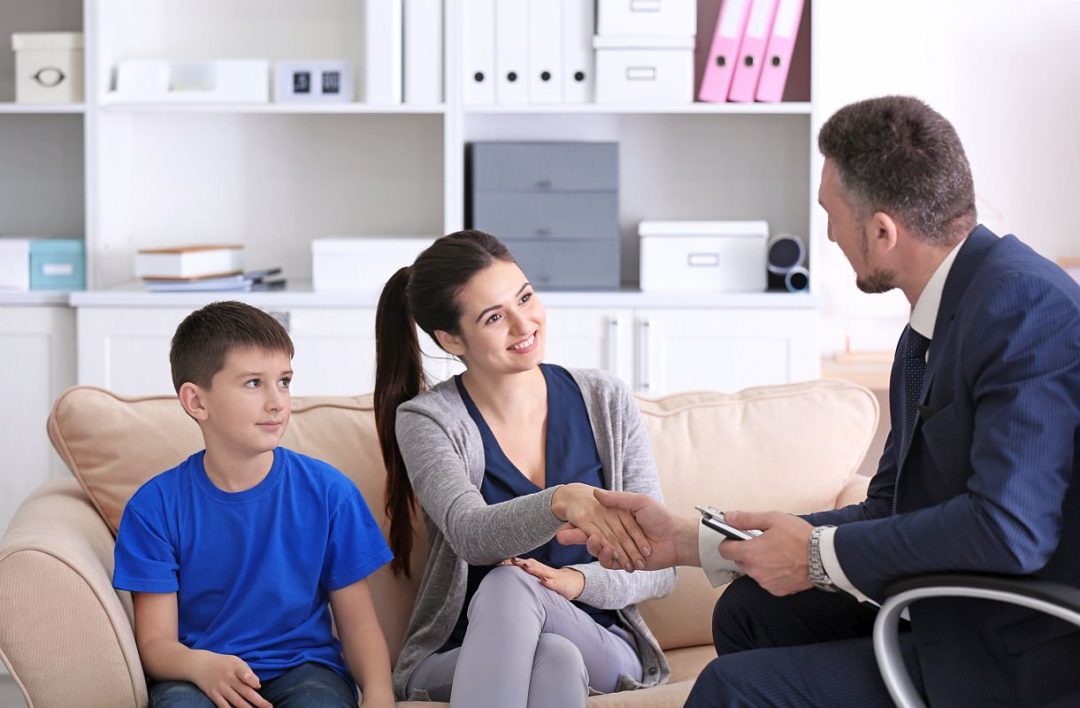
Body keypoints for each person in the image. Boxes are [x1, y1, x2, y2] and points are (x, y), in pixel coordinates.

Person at [560, 95, 1080, 706]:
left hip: (1020, 650)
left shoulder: (1023, 308)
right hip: (952, 603)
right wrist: (691, 540)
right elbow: (891, 504)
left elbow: (1009, 529)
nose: (828, 233)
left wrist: (815, 555)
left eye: (831, 215)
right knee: (750, 611)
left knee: (732, 691)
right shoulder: (940, 319)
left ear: (883, 231)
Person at [373, 229, 677, 706]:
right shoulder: (427, 420)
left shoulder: (603, 399)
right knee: (553, 656)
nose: (524, 324)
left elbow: (660, 565)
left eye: (526, 297)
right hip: (464, 648)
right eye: (495, 316)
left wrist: (579, 583)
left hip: (598, 638)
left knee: (516, 587)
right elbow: (471, 536)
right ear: (451, 338)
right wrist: (561, 501)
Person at [113, 301, 396, 708]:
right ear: (196, 402)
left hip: (306, 670)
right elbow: (156, 643)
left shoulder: (330, 492)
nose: (277, 401)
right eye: (253, 383)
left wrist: (379, 694)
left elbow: (359, 624)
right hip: (199, 674)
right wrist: (199, 667)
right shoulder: (154, 508)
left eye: (283, 381)